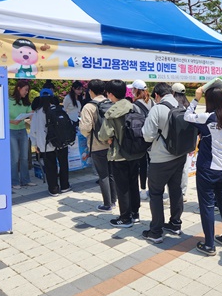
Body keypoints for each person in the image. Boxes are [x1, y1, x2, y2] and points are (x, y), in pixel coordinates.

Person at [185, 85, 222, 256]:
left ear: (209, 101)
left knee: (207, 205)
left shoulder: (206, 118)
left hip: (207, 169)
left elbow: (187, 116)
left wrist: (195, 98)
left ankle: (209, 244)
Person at [141, 83, 187, 243]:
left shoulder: (157, 109)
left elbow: (147, 135)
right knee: (176, 190)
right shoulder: (181, 104)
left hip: (161, 159)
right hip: (179, 156)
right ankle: (175, 224)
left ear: (156, 95)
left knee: (155, 193)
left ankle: (155, 231)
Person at [98, 80, 143, 227]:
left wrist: (110, 139)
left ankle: (125, 218)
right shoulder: (134, 107)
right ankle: (135, 214)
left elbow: (104, 135)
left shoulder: (111, 112)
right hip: (135, 151)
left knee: (122, 187)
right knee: (133, 183)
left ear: (110, 94)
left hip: (119, 154)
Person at [79, 79, 117, 212]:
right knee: (112, 174)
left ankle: (107, 204)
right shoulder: (111, 103)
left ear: (90, 91)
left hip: (97, 146)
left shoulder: (88, 107)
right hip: (112, 144)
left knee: (103, 175)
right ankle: (114, 200)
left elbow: (85, 128)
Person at [29, 88, 70, 196]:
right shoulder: (58, 109)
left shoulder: (38, 112)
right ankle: (65, 186)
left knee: (50, 167)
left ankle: (54, 189)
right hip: (61, 143)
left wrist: (35, 145)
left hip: (45, 145)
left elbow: (33, 131)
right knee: (63, 164)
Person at [128, 79, 155, 201]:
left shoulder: (134, 105)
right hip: (154, 139)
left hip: (141, 139)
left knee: (143, 165)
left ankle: (143, 191)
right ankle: (153, 188)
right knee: (153, 165)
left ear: (136, 90)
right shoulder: (153, 102)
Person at [9, 80, 36, 189]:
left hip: (22, 130)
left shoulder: (26, 103)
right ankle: (14, 182)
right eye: (25, 90)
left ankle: (25, 180)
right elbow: (1, 116)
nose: (26, 92)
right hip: (11, 131)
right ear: (18, 88)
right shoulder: (8, 101)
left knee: (25, 157)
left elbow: (31, 116)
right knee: (15, 157)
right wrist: (12, 121)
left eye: (27, 90)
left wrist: (32, 117)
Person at [172, 82, 191, 201]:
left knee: (174, 169)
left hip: (174, 142)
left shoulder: (172, 106)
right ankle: (182, 192)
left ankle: (175, 194)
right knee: (184, 168)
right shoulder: (189, 106)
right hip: (187, 143)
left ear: (173, 92)